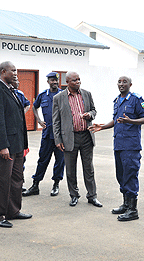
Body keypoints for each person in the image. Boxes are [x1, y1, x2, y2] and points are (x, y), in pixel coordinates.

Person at [89, 76, 144, 221]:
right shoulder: (117, 100)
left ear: (130, 84)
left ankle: (133, 210)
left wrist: (130, 121)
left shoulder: (136, 99)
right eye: (119, 82)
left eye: (124, 82)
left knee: (130, 175)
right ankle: (126, 204)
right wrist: (102, 127)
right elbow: (115, 120)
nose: (121, 84)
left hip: (131, 146)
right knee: (121, 175)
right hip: (119, 145)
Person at [0, 61, 32, 228]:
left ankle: (13, 211)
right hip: (5, 146)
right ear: (2, 71)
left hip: (17, 144)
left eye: (16, 70)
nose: (15, 73)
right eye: (12, 70)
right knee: (2, 181)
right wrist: (2, 146)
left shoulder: (11, 90)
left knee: (16, 179)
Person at [52, 71, 102, 207]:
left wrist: (89, 115)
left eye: (79, 79)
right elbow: (55, 121)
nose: (78, 82)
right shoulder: (58, 98)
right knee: (70, 169)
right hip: (69, 137)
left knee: (89, 168)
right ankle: (74, 195)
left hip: (86, 136)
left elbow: (94, 110)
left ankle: (92, 196)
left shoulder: (86, 94)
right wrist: (58, 140)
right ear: (67, 82)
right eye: (74, 80)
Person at [23, 72, 64, 197]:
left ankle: (56, 184)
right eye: (52, 80)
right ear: (48, 82)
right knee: (42, 160)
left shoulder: (63, 95)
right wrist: (39, 120)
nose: (55, 82)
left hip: (60, 136)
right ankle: (35, 185)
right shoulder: (43, 95)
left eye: (56, 80)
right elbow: (34, 107)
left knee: (60, 161)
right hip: (47, 135)